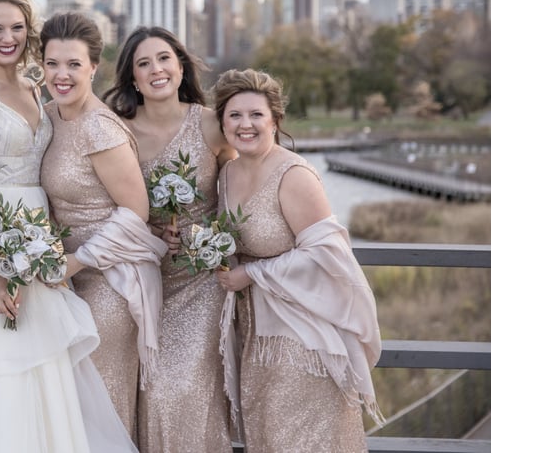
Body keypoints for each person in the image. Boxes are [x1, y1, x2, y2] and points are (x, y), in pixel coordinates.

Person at [0, 0, 136, 452]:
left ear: (30, 32)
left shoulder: (34, 86)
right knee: (1, 358)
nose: (8, 37)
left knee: (46, 368)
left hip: (39, 234)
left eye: (18, 28)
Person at [211, 68, 383, 452]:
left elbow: (327, 255)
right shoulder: (226, 175)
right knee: (266, 438)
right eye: (235, 115)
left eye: (256, 114)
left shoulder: (294, 175)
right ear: (222, 122)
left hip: (302, 340)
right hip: (256, 338)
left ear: (275, 119)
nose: (246, 124)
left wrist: (252, 273)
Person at [104, 26, 237, 452]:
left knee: (178, 388)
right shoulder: (117, 131)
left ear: (180, 66)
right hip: (144, 278)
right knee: (144, 391)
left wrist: (206, 237)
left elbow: (237, 197)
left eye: (164, 58)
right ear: (132, 78)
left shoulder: (212, 124)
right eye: (143, 63)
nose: (156, 70)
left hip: (201, 281)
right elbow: (109, 205)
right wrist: (147, 229)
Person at [38, 12, 167, 439]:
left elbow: (136, 213)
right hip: (64, 280)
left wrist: (78, 261)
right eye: (52, 63)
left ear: (94, 67)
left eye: (73, 64)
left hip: (109, 282)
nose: (62, 74)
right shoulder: (48, 117)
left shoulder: (100, 129)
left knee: (101, 415)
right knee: (68, 414)